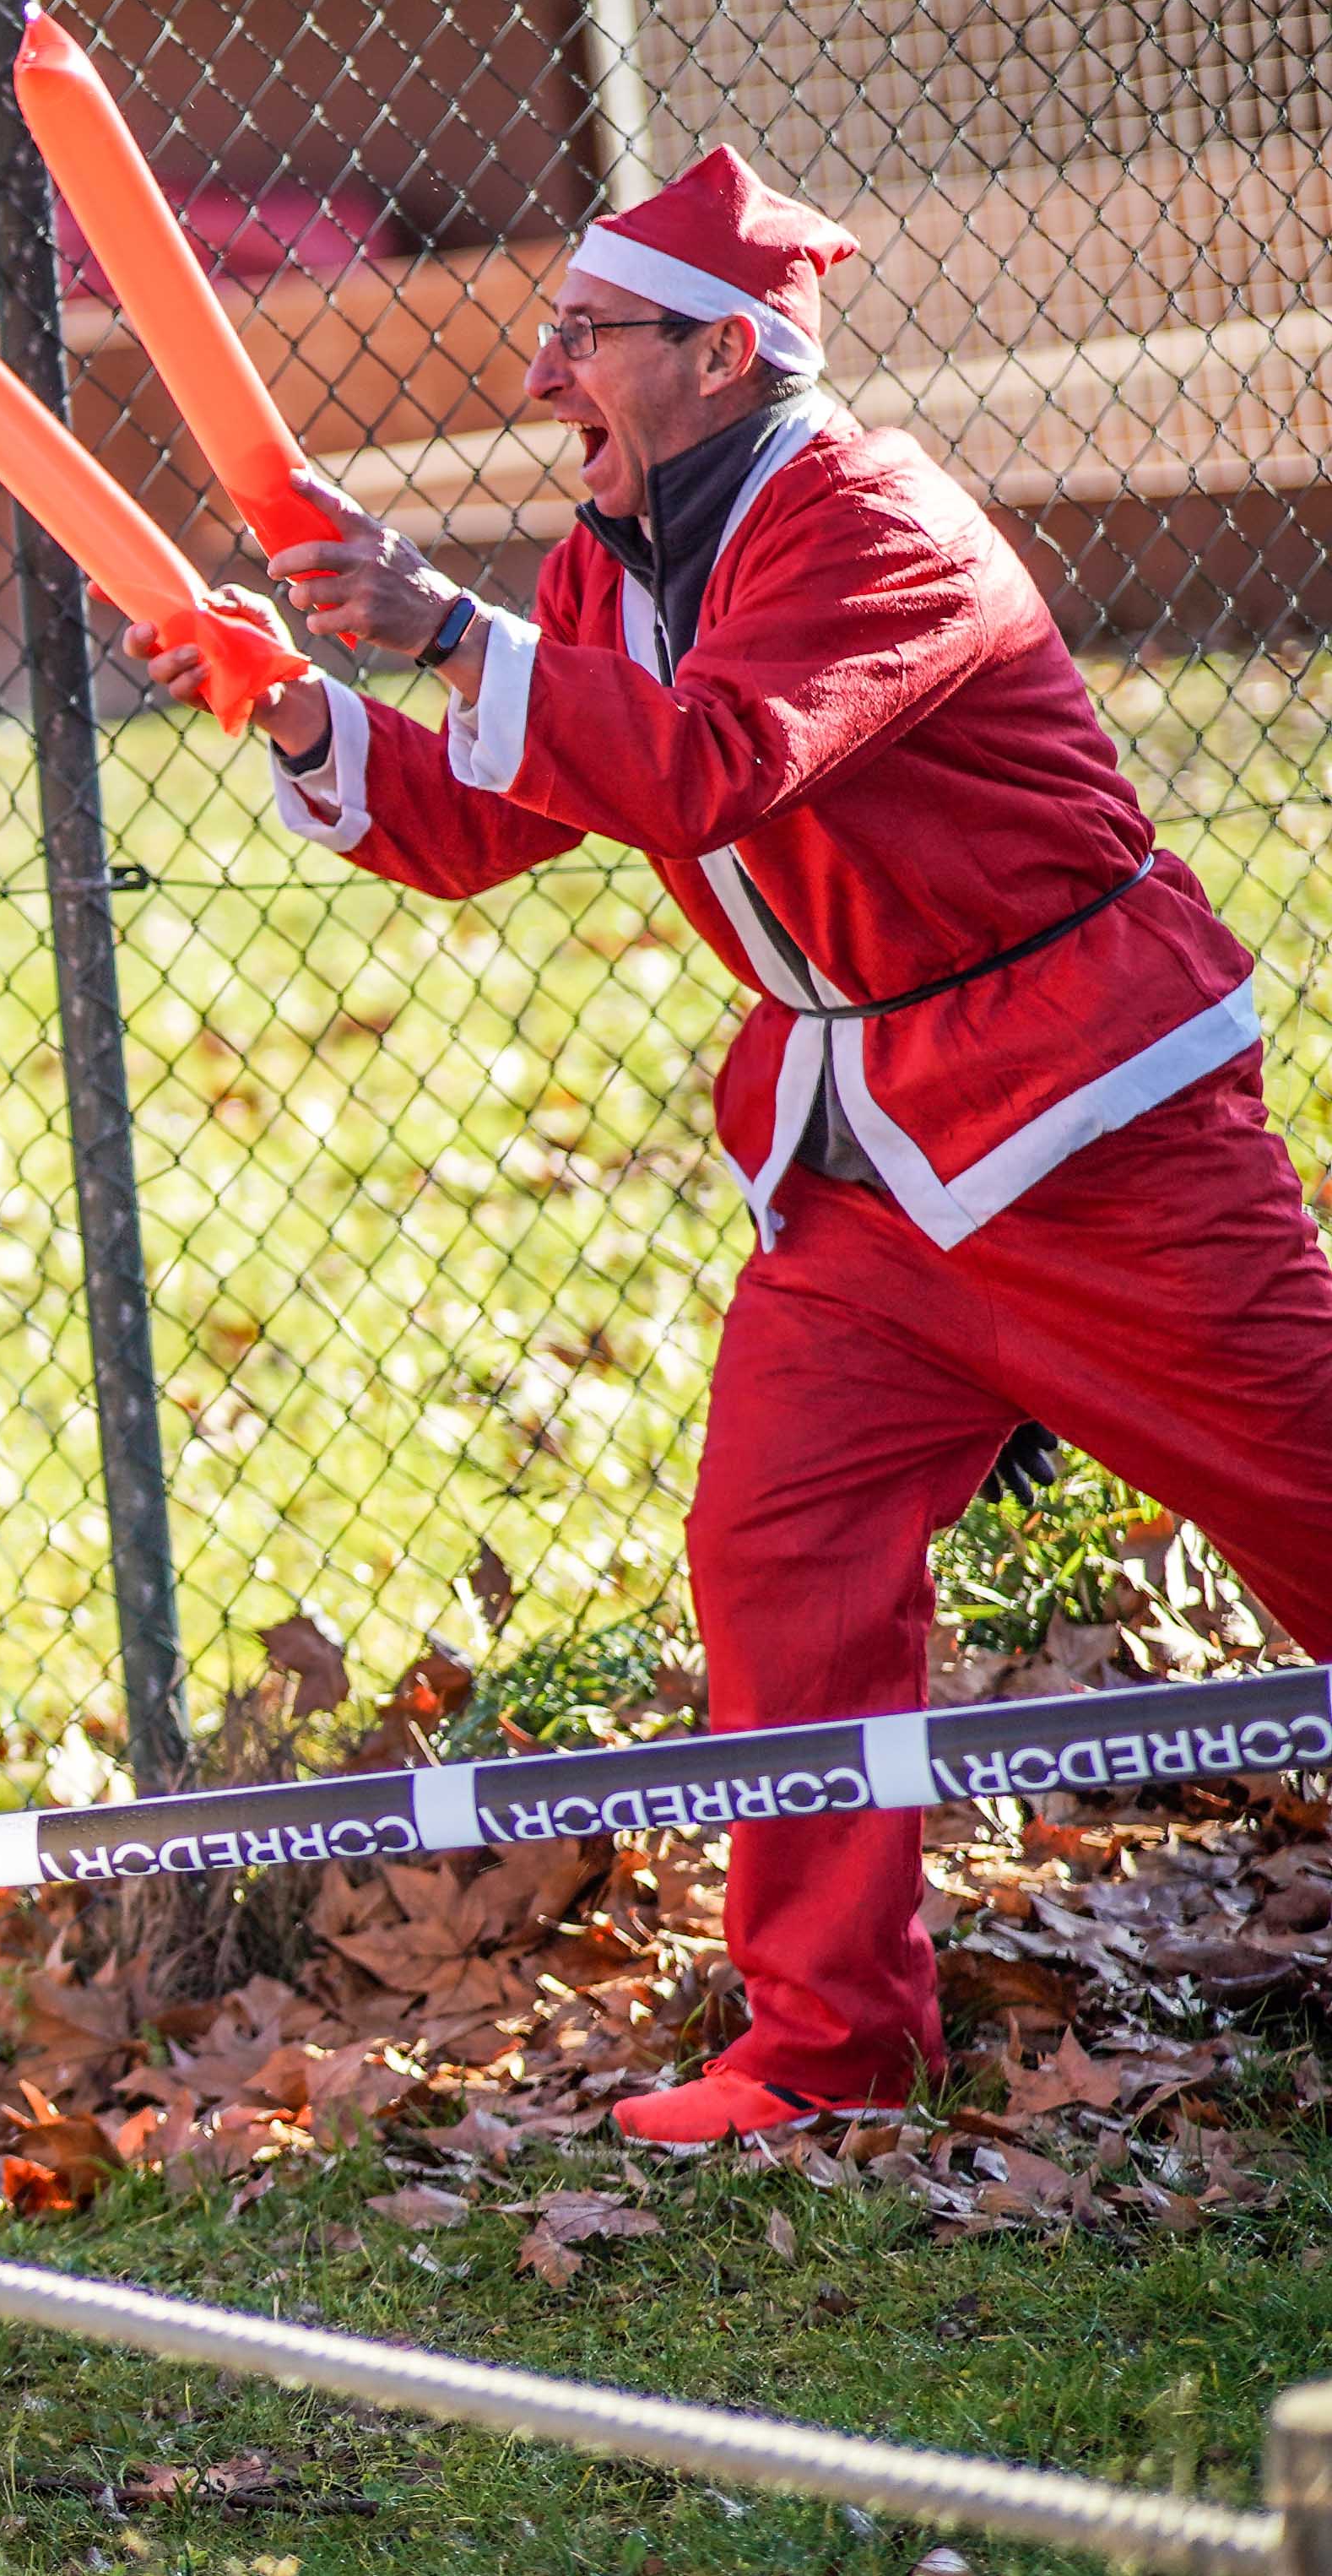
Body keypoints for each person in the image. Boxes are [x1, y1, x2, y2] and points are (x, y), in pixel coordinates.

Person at [128, 146, 1332, 2145]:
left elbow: (715, 765)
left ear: (722, 352)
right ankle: (829, 2046)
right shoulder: (614, 556)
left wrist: (441, 628)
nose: (543, 373)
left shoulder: (873, 518)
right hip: (867, 1169)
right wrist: (296, 707)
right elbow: (488, 820)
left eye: (584, 334)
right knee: (782, 1552)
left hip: (1089, 1124)